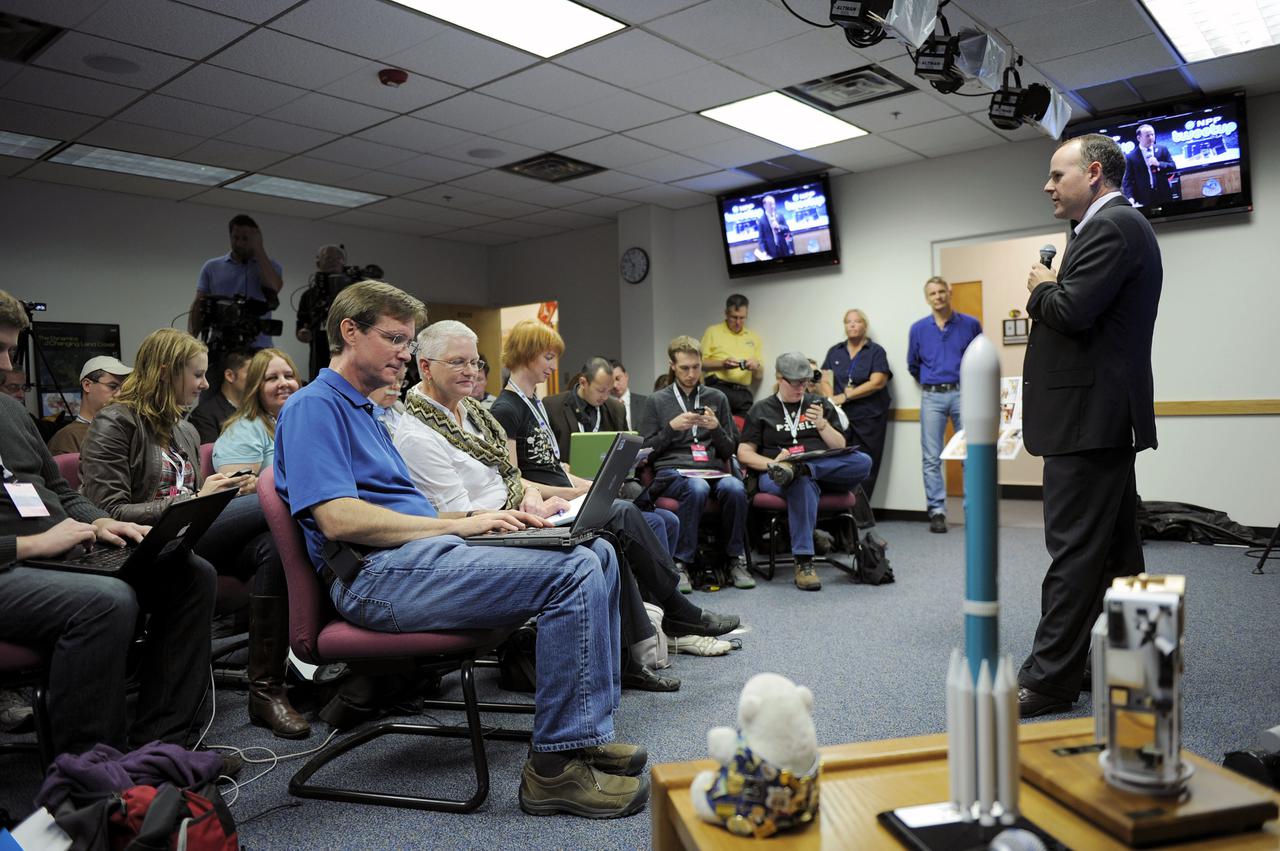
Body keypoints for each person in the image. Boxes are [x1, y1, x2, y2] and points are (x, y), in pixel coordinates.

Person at [274, 282, 650, 818]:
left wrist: (474, 520)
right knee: (573, 571)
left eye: (409, 341)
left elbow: (409, 514)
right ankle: (554, 772)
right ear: (348, 332)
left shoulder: (366, 411)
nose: (406, 352)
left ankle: (583, 734)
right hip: (374, 578)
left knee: (597, 553)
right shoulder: (315, 407)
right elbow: (337, 519)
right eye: (395, 339)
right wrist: (462, 527)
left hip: (411, 561)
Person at [396, 322, 738, 690]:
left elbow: (509, 476)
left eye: (475, 362)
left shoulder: (472, 415)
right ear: (426, 367)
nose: (471, 371)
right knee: (614, 519)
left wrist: (528, 494)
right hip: (492, 537)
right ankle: (672, 619)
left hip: (518, 512)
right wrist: (530, 507)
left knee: (612, 529)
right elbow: (467, 519)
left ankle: (633, 653)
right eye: (458, 362)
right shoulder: (421, 434)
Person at [0, 289, 217, 756]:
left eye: (10, 350)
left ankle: (162, 743)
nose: (6, 365)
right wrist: (26, 548)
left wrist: (98, 522)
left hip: (65, 551)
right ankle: (94, 775)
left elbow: (59, 490)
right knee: (107, 601)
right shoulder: (116, 420)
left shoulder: (10, 411)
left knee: (191, 574)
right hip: (13, 564)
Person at [79, 328, 309, 739]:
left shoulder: (183, 429)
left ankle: (266, 687)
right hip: (140, 543)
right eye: (198, 375)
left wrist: (211, 491)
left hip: (188, 537)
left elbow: (193, 498)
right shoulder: (116, 421)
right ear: (167, 373)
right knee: (278, 495)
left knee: (274, 547)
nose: (206, 384)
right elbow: (105, 511)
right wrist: (197, 498)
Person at [1017, 134, 1162, 718]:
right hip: (1099, 418)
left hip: (1090, 420)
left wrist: (1040, 289)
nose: (1048, 186)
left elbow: (1071, 310)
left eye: (1057, 175)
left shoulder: (1112, 226)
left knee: (1074, 553)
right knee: (1113, 553)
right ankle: (1133, 661)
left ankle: (1051, 679)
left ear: (1094, 173)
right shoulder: (1107, 228)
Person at [491, 322, 685, 590]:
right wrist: (570, 491)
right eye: (548, 357)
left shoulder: (534, 402)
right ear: (526, 354)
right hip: (554, 505)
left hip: (566, 496)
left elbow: (551, 464)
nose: (554, 366)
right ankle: (668, 602)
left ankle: (656, 602)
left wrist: (585, 484)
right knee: (640, 516)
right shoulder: (506, 409)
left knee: (664, 519)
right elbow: (513, 480)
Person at [737, 353, 872, 591]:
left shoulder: (819, 404)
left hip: (822, 470)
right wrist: (772, 464)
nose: (801, 387)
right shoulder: (762, 410)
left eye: (805, 382)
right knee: (800, 482)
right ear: (780, 378)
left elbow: (839, 446)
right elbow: (744, 453)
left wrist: (822, 424)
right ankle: (804, 561)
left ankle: (802, 467)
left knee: (863, 461)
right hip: (776, 476)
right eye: (795, 382)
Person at [641, 336, 751, 590]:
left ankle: (735, 559)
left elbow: (729, 450)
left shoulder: (717, 398)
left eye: (696, 367)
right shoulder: (657, 401)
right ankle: (681, 563)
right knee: (697, 487)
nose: (691, 374)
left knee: (735, 488)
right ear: (672, 365)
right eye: (684, 368)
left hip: (711, 469)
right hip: (672, 471)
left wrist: (716, 429)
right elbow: (646, 453)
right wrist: (670, 428)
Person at [906, 277, 982, 533]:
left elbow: (979, 359)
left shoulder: (970, 324)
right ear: (927, 298)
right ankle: (937, 511)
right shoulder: (918, 329)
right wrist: (932, 382)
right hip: (932, 396)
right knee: (931, 457)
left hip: (964, 394)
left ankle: (974, 511)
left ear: (949, 293)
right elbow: (912, 365)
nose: (937, 297)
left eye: (941, 292)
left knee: (970, 455)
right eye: (932, 293)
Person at [821, 309, 893, 498]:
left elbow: (878, 381)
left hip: (868, 417)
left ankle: (862, 513)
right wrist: (831, 401)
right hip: (841, 417)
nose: (852, 325)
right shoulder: (835, 351)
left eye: (857, 321)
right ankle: (843, 508)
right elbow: (824, 378)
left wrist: (846, 397)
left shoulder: (875, 351)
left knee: (866, 463)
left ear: (865, 325)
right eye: (848, 322)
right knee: (840, 462)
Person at [190, 214, 283, 351]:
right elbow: (199, 304)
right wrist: (191, 340)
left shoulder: (270, 267)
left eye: (246, 239)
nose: (240, 243)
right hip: (219, 345)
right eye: (235, 238)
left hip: (258, 348)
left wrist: (259, 249)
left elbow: (274, 287)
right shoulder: (211, 267)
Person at [211, 348, 299, 486]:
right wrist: (259, 485)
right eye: (272, 378)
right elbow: (234, 491)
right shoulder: (244, 429)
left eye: (289, 376)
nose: (284, 383)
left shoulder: (302, 422)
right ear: (255, 387)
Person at [544, 356, 628, 461]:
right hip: (567, 474)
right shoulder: (552, 406)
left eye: (609, 391)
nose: (605, 397)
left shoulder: (617, 409)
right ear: (583, 382)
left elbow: (624, 449)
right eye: (601, 390)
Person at [47, 356, 133, 455]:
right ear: (87, 385)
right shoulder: (67, 438)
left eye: (124, 388)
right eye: (112, 386)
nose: (119, 394)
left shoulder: (126, 432)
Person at [700, 293, 762, 418]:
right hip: (718, 388)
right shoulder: (713, 331)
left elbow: (759, 375)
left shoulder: (753, 337)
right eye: (734, 317)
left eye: (742, 318)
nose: (738, 322)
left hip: (743, 393)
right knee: (717, 431)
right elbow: (701, 363)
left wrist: (755, 367)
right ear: (726, 313)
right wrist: (723, 364)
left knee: (744, 432)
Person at [296, 244, 347, 380]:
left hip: (347, 352)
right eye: (328, 258)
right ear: (319, 263)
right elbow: (301, 325)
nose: (334, 261)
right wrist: (302, 333)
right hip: (319, 353)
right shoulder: (310, 295)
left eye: (338, 258)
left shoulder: (352, 293)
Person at [189, 347, 253, 444]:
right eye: (253, 374)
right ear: (230, 376)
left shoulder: (258, 409)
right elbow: (211, 457)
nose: (259, 379)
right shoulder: (204, 416)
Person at [1121, 124, 1176, 208]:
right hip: (1144, 197)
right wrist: (1130, 197)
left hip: (1164, 194)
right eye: (1147, 136)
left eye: (1152, 134)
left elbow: (1173, 166)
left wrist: (1159, 164)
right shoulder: (1131, 157)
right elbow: (1127, 180)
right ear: (1139, 138)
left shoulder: (1162, 149)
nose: (1151, 137)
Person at [610, 359, 648, 432]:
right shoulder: (602, 406)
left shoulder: (645, 402)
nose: (614, 385)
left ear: (626, 376)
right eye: (611, 381)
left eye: (618, 379)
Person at [754, 195, 793, 260]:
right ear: (765, 206)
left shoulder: (780, 215)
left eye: (773, 204)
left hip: (784, 249)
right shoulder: (761, 220)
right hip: (771, 252)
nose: (773, 206)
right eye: (770, 204)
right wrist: (764, 251)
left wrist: (779, 227)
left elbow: (787, 229)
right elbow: (761, 239)